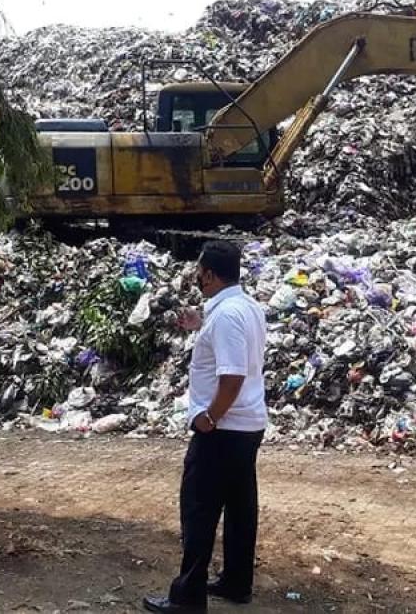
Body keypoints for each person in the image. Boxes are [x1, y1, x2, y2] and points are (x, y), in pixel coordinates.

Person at [143, 241, 268, 613]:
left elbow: (232, 377)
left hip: (223, 428)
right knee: (240, 506)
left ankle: (188, 598)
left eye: (199, 272)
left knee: (198, 509)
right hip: (247, 426)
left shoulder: (227, 314)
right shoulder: (245, 307)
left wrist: (208, 418)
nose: (196, 278)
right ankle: (235, 581)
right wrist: (202, 324)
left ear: (209, 274)